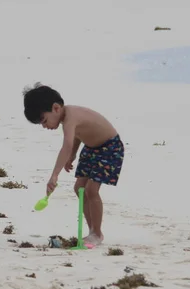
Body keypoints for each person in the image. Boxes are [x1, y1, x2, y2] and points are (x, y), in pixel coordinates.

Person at [23, 82, 125, 245]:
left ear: (56, 108)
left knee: (92, 190)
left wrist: (54, 175)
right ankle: (92, 231)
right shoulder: (66, 119)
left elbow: (67, 144)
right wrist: (72, 156)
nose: (44, 126)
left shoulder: (71, 117)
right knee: (79, 189)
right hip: (91, 149)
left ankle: (97, 234)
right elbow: (78, 136)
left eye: (44, 120)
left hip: (109, 148)